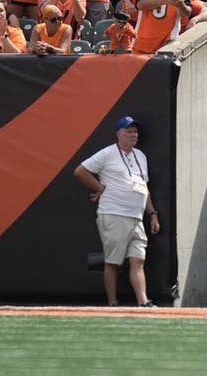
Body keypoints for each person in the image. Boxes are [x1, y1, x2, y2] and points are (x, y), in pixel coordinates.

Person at [74, 115, 160, 307]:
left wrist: (152, 214)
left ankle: (143, 301)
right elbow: (80, 171)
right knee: (113, 262)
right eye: (128, 131)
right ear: (118, 134)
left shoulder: (141, 156)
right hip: (114, 213)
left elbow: (143, 187)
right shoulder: (107, 153)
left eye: (135, 132)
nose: (133, 135)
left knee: (138, 260)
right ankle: (113, 303)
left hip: (136, 217)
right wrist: (100, 188)